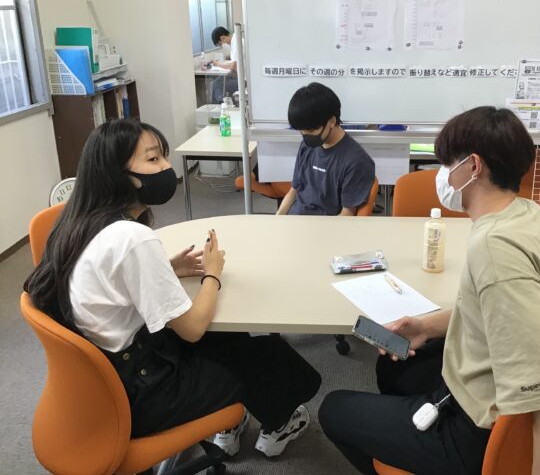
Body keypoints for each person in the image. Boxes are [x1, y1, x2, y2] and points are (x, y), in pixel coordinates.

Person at [24, 119, 321, 458]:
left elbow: (109, 276)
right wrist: (213, 274)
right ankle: (280, 422)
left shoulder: (78, 222)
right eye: (153, 159)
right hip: (141, 394)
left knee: (228, 336)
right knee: (264, 356)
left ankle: (229, 425)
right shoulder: (132, 238)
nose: (167, 168)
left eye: (164, 156)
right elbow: (192, 329)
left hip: (103, 379)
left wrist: (166, 268)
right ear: (117, 174)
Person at [318, 106, 540, 475]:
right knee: (395, 369)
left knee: (333, 409)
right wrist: (426, 326)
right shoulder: (527, 214)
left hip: (479, 429)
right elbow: (495, 308)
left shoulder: (494, 247)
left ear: (473, 167)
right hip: (486, 380)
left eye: (447, 164)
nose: (443, 174)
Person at [277, 82, 375, 216]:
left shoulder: (356, 161)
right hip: (297, 220)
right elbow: (294, 189)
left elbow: (347, 214)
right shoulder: (307, 146)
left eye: (312, 130)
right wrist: (278, 217)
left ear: (332, 122)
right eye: (301, 130)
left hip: (327, 226)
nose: (306, 135)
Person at [209, 26, 239, 103]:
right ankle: (222, 104)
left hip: (244, 81)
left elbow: (234, 65)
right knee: (218, 81)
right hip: (239, 76)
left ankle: (221, 105)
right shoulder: (235, 41)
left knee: (217, 84)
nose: (222, 46)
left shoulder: (236, 43)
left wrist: (217, 64)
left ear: (222, 38)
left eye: (220, 44)